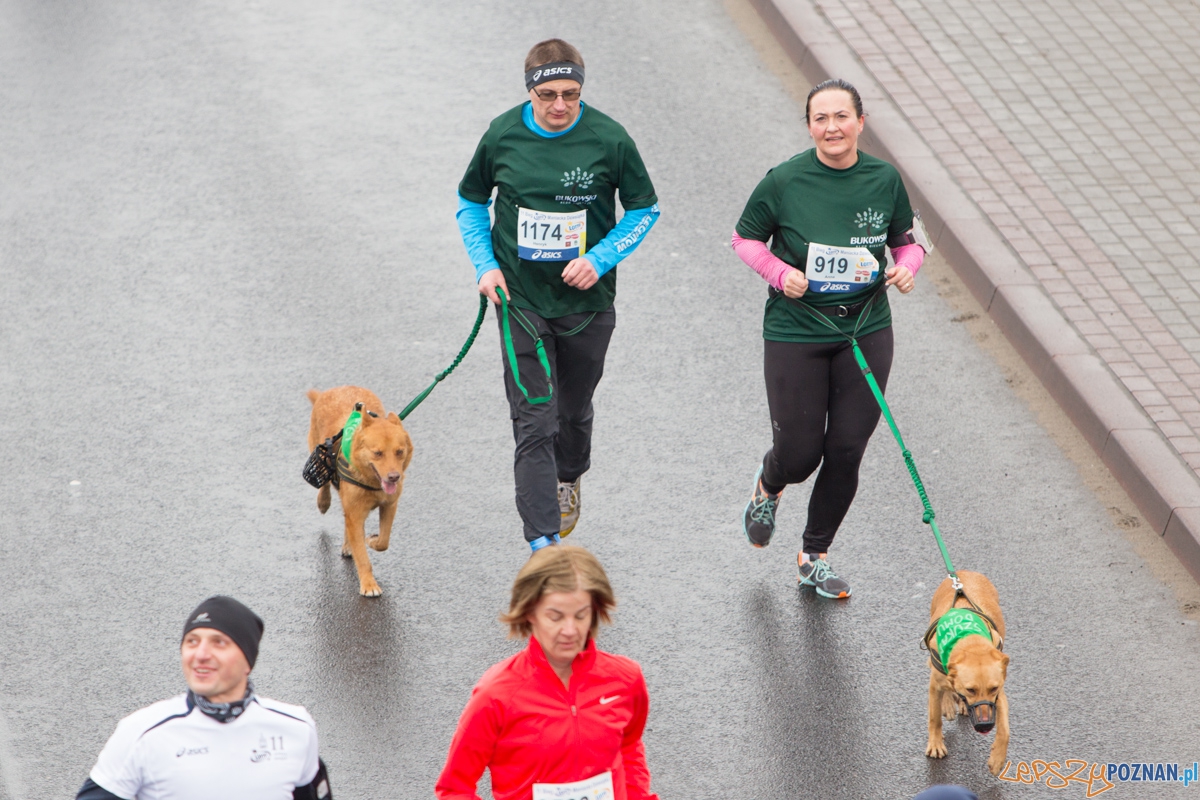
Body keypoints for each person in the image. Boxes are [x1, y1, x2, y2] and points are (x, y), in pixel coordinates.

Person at [457, 38, 660, 552]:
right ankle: (542, 544)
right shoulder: (503, 135)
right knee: (534, 418)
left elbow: (643, 211)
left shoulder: (610, 139)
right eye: (547, 95)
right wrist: (485, 267)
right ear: (530, 91)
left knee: (572, 411)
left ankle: (569, 475)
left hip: (587, 307)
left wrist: (599, 259)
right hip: (520, 300)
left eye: (570, 94)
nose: (559, 106)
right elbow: (470, 200)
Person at [733, 78, 928, 599]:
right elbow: (744, 238)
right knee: (800, 456)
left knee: (845, 449)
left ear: (860, 122)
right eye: (821, 118)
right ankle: (770, 483)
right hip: (797, 329)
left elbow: (909, 241)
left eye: (842, 116)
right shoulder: (785, 181)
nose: (832, 127)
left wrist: (908, 267)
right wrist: (779, 273)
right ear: (809, 126)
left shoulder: (884, 179)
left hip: (864, 328)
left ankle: (814, 554)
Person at [435, 545, 658, 800]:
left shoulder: (625, 678)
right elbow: (454, 788)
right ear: (530, 612)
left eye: (581, 615)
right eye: (555, 617)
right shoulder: (496, 694)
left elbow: (629, 747)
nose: (570, 630)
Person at [76, 596, 331, 800]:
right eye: (192, 641)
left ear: (247, 661)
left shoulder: (296, 727)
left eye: (218, 643)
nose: (201, 654)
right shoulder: (142, 732)